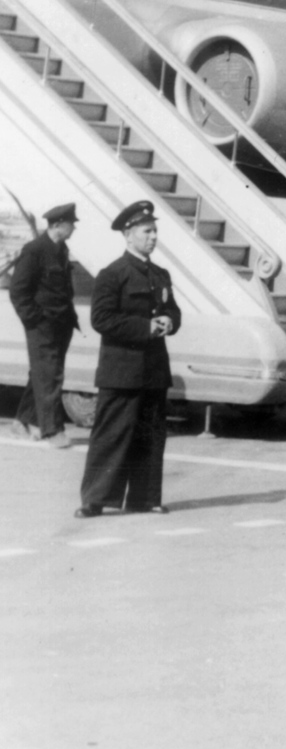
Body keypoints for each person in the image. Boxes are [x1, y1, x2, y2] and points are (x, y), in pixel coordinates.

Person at [77, 201, 183, 518]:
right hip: (120, 370)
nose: (153, 237)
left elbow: (173, 310)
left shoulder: (161, 274)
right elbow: (102, 319)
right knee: (111, 436)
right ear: (129, 235)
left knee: (150, 436)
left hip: (153, 371)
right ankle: (94, 500)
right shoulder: (113, 274)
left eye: (155, 231)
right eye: (146, 231)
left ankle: (145, 498)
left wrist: (169, 321)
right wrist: (146, 327)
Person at [8, 201, 80, 447]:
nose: (74, 228)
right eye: (72, 224)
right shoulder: (35, 249)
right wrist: (34, 319)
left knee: (41, 374)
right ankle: (52, 431)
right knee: (50, 375)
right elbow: (18, 290)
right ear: (58, 224)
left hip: (61, 324)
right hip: (42, 325)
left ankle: (21, 421)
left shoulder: (61, 249)